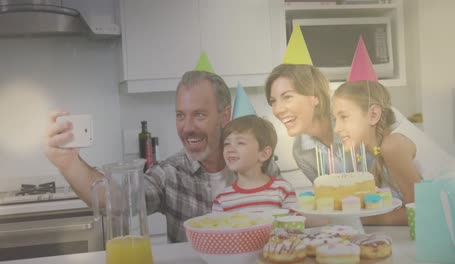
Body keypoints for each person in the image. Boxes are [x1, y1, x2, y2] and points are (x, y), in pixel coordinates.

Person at [45, 70, 281, 243]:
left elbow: (287, 227)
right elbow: (115, 200)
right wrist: (69, 163)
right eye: (180, 115)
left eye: (199, 115)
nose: (187, 128)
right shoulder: (170, 173)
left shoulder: (261, 166)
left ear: (224, 116)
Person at [332, 80, 455, 225]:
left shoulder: (393, 145)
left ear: (373, 115)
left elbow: (420, 212)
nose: (336, 128)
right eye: (335, 119)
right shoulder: (374, 148)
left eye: (344, 117)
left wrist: (348, 219)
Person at [265, 64, 349, 181]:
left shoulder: (351, 121)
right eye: (273, 101)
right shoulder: (300, 153)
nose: (278, 110)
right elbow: (325, 194)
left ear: (315, 97)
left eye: (287, 97)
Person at [212, 115, 297, 213]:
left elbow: (294, 225)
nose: (230, 149)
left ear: (264, 154)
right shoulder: (222, 200)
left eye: (240, 142)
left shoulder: (283, 190)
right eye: (226, 143)